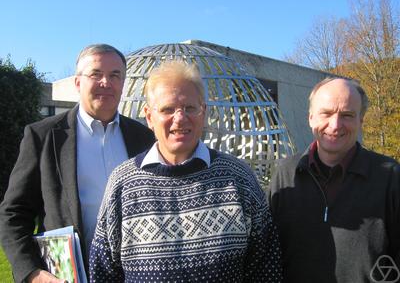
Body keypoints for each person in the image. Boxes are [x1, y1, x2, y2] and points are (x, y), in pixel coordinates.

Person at [89, 60, 283, 282]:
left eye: (190, 108)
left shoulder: (238, 178)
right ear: (149, 116)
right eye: (167, 109)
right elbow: (104, 272)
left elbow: (265, 269)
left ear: (204, 112)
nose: (180, 118)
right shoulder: (123, 183)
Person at [0, 44, 155, 283]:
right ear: (77, 82)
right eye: (96, 74)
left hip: (135, 274)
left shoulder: (144, 137)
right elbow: (12, 214)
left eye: (115, 75)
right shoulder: (43, 136)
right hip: (69, 276)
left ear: (123, 83)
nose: (106, 82)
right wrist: (32, 273)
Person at [269, 77, 400, 282]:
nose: (336, 124)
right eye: (326, 113)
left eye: (347, 115)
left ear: (361, 121)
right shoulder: (286, 174)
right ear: (311, 118)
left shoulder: (390, 176)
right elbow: (269, 252)